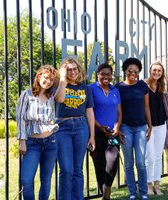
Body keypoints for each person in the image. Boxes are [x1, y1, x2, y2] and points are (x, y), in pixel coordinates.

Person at [54, 57, 95, 200]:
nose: (72, 71)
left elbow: (89, 112)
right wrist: (63, 82)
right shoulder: (59, 85)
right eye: (69, 69)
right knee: (66, 169)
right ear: (64, 71)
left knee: (78, 169)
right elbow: (59, 99)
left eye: (74, 69)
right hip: (62, 128)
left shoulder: (85, 88)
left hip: (81, 127)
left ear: (79, 70)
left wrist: (92, 136)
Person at [16, 65, 59, 200]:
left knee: (46, 180)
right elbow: (20, 119)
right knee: (27, 180)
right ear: (39, 76)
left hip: (50, 142)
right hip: (32, 143)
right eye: (46, 77)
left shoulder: (50, 96)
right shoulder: (27, 95)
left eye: (51, 79)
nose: (48, 81)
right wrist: (22, 141)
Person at [115, 57, 152, 200]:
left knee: (141, 163)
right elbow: (117, 110)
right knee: (129, 163)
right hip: (125, 128)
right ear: (125, 71)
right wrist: (117, 127)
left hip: (141, 128)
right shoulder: (118, 88)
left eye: (136, 71)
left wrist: (150, 125)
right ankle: (132, 192)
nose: (133, 73)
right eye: (130, 70)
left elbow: (146, 107)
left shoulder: (142, 86)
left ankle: (143, 192)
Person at [88, 63, 123, 200]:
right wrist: (99, 127)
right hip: (96, 133)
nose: (106, 77)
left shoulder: (115, 91)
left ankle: (107, 189)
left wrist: (117, 126)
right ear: (98, 74)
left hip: (112, 133)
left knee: (113, 160)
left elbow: (119, 112)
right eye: (103, 74)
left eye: (108, 74)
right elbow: (89, 111)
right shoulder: (91, 89)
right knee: (99, 164)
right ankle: (105, 195)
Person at [144, 61, 167, 196]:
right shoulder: (143, 85)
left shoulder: (161, 85)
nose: (157, 73)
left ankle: (157, 185)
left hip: (161, 124)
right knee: (149, 156)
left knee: (158, 156)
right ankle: (148, 185)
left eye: (159, 70)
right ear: (150, 71)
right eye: (154, 70)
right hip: (148, 125)